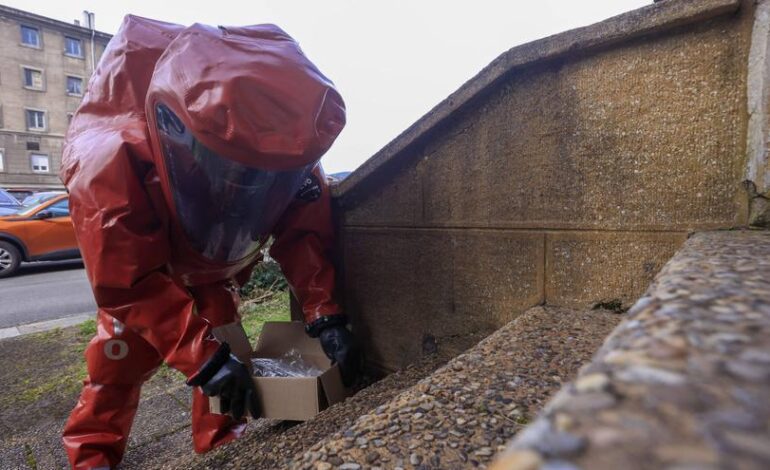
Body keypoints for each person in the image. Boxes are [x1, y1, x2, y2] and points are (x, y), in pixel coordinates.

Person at [59, 15, 357, 469]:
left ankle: (224, 450)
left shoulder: (287, 154)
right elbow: (127, 279)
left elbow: (302, 231)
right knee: (114, 369)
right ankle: (92, 456)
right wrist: (201, 358)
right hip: (153, 277)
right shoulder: (109, 159)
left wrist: (324, 313)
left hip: (216, 274)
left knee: (227, 368)